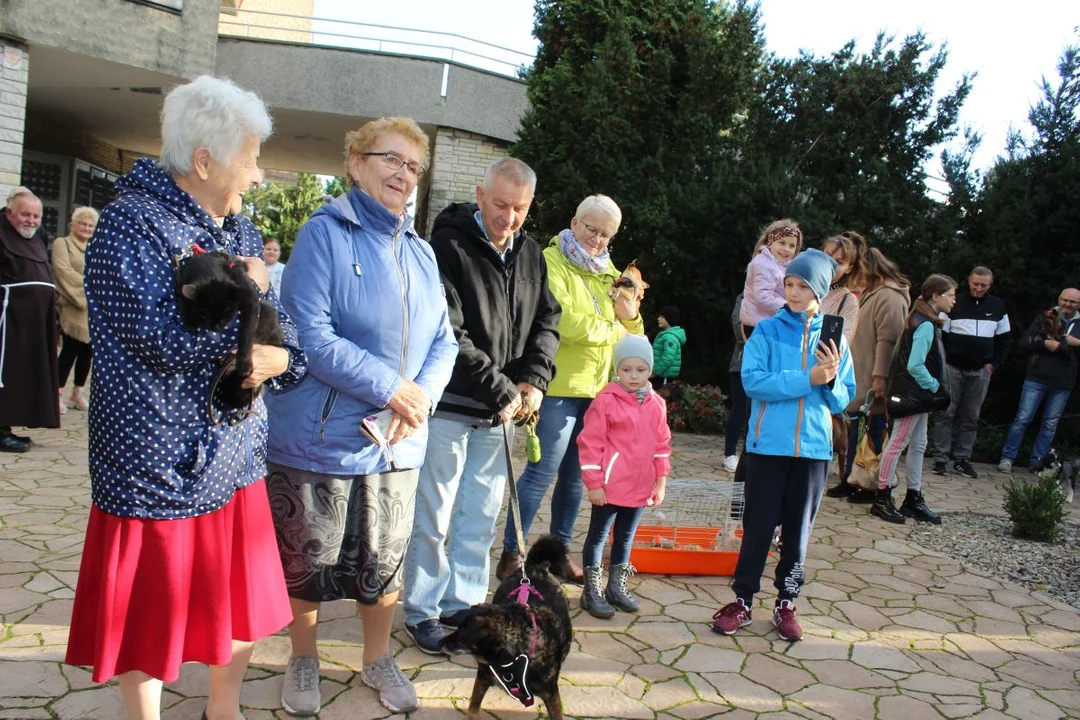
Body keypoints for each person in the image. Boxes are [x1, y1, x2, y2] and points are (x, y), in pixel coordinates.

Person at [64, 75, 307, 720]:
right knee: (150, 618)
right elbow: (159, 339)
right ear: (204, 161)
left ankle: (220, 711)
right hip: (155, 462)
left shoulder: (243, 232)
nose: (258, 177)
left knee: (239, 604)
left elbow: (280, 333)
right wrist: (247, 309)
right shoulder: (128, 226)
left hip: (234, 456)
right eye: (250, 160)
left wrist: (279, 357)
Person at [264, 116, 457, 716]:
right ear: (354, 162)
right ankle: (303, 658)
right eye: (391, 159)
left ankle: (377, 658)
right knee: (307, 564)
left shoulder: (421, 251)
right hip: (319, 439)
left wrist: (417, 395)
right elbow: (310, 336)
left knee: (387, 561)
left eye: (413, 166)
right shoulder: (322, 234)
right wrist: (392, 386)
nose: (404, 174)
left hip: (396, 442)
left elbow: (445, 342)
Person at [401, 157, 560, 654]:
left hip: (501, 413)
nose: (508, 217)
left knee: (480, 515)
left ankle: (463, 604)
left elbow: (547, 322)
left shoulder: (532, 253)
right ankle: (422, 611)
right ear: (479, 193)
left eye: (519, 208)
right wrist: (505, 389)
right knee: (435, 514)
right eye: (499, 204)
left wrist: (533, 379)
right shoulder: (445, 245)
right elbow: (449, 331)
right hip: (452, 405)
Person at [495, 194, 645, 584]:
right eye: (591, 229)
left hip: (596, 394)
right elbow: (564, 321)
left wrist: (630, 317)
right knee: (541, 473)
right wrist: (612, 327)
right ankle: (513, 552)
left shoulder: (610, 273)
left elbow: (635, 335)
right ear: (574, 223)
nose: (597, 239)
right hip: (557, 386)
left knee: (577, 478)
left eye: (606, 234)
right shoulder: (551, 262)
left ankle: (558, 554)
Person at [710, 249, 854, 642]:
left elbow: (843, 400)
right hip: (767, 449)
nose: (792, 292)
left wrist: (831, 380)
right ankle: (742, 601)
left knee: (797, 534)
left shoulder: (835, 338)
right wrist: (809, 377)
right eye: (789, 284)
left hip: (813, 453)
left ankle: (786, 603)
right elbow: (755, 383)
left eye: (802, 286)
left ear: (820, 290)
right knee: (757, 528)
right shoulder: (768, 331)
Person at [576, 334, 671, 618]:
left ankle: (616, 586)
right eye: (626, 369)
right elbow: (590, 443)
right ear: (617, 368)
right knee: (598, 536)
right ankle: (591, 590)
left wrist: (660, 481)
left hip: (640, 487)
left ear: (650, 370)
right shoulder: (605, 401)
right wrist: (594, 484)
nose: (633, 376)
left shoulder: (656, 404)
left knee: (626, 537)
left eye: (640, 370)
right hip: (609, 487)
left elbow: (662, 445)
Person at [872, 274, 957, 525]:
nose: (954, 300)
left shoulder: (921, 319)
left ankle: (913, 497)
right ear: (936, 296)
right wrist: (936, 387)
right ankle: (882, 496)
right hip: (914, 395)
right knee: (898, 443)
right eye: (951, 295)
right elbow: (915, 365)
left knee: (919, 444)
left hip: (917, 397)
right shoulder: (925, 324)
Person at [828, 247, 910, 501]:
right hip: (861, 371)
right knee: (857, 430)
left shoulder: (890, 296)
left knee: (874, 432)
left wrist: (880, 378)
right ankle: (851, 479)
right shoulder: (871, 293)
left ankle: (870, 484)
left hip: (875, 377)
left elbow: (889, 340)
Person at [932, 267, 1011, 478]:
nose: (978, 288)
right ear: (969, 281)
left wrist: (993, 364)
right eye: (975, 283)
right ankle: (940, 458)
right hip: (953, 367)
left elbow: (1005, 340)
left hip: (981, 370)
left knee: (971, 416)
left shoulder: (997, 306)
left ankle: (962, 459)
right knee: (946, 412)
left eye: (983, 285)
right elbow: (941, 335)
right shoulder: (954, 302)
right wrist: (945, 360)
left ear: (990, 285)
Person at [998, 288, 1080, 473]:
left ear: (1079, 304)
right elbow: (1024, 342)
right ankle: (1007, 458)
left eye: (1073, 302)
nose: (1068, 304)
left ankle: (1038, 463)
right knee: (1022, 418)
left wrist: (1077, 343)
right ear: (1059, 299)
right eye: (1065, 300)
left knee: (1050, 424)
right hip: (1037, 377)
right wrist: (1044, 343)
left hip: (1064, 382)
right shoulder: (1045, 317)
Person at [0, 189, 57, 453]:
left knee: (22, 377)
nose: (31, 221)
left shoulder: (37, 236)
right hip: (7, 322)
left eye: (36, 216)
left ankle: (10, 424)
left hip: (33, 323)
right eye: (25, 214)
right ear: (10, 212)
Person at [52, 206, 99, 415]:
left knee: (87, 353)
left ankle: (77, 392)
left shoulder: (95, 247)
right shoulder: (63, 244)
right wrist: (88, 288)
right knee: (69, 351)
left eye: (91, 225)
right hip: (73, 305)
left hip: (91, 309)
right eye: (83, 224)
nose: (87, 228)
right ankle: (57, 393)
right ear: (74, 224)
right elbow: (63, 271)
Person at [739, 219, 801, 333]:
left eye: (792, 246)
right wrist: (791, 306)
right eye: (782, 243)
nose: (786, 249)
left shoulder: (784, 265)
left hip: (769, 324)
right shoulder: (764, 264)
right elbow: (762, 296)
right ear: (770, 242)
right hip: (757, 325)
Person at [819, 234, 862, 345]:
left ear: (848, 269)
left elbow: (843, 343)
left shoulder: (848, 301)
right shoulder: (801, 284)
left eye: (839, 262)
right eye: (827, 256)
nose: (830, 264)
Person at [723, 294, 747, 472]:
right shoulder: (744, 297)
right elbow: (740, 331)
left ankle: (753, 456)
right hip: (742, 363)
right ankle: (730, 453)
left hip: (772, 367)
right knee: (740, 409)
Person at [652, 305, 685, 384]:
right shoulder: (665, 334)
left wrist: (655, 372)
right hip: (660, 375)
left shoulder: (670, 337)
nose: (658, 319)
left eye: (662, 317)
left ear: (669, 319)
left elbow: (668, 358)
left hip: (664, 376)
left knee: (661, 396)